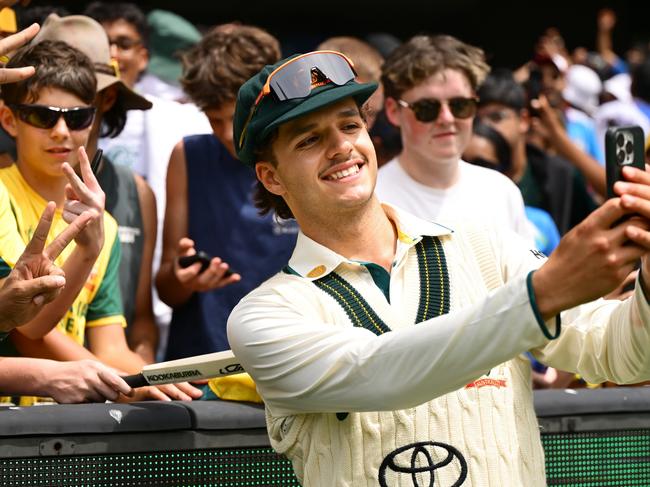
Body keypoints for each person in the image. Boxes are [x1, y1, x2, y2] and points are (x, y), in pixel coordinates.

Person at [227, 49, 650, 486]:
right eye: (308, 140)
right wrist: (540, 296)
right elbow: (382, 372)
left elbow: (626, 356)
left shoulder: (485, 244)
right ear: (271, 177)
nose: (341, 147)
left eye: (350, 124)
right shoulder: (264, 317)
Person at [0, 40, 199, 404]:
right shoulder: (1, 195)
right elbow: (26, 328)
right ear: (9, 120)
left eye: (77, 117)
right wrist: (123, 384)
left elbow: (111, 345)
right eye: (44, 116)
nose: (61, 130)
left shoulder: (102, 221)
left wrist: (155, 379)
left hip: (71, 429)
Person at [155, 23, 298, 360]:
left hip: (289, 358)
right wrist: (184, 278)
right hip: (202, 363)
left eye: (234, 118)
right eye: (213, 119)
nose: (226, 133)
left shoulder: (302, 156)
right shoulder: (187, 157)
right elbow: (166, 289)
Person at [375, 35, 535, 242]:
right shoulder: (373, 202)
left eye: (460, 105)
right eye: (427, 108)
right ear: (394, 111)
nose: (446, 118)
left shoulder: (502, 192)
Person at [476, 70, 599, 234]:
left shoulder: (560, 175)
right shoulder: (472, 177)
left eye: (496, 117)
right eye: (478, 120)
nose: (486, 127)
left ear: (524, 120)